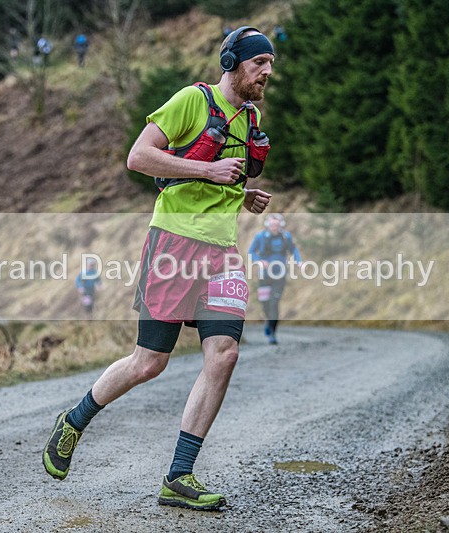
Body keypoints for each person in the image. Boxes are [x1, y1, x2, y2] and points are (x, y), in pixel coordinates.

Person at [43, 26, 276, 511]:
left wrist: (240, 193)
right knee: (150, 362)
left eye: (271, 65)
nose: (268, 73)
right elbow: (139, 157)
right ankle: (75, 419)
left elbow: (221, 177)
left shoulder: (251, 117)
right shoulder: (193, 100)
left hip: (222, 252)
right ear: (233, 62)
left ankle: (179, 476)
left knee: (224, 354)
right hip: (173, 243)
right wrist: (208, 171)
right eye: (260, 64)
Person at [248, 213, 302, 345]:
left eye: (277, 224)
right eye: (272, 224)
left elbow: (293, 250)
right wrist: (259, 261)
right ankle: (268, 321)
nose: (274, 227)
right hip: (264, 275)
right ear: (268, 225)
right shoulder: (260, 236)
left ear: (281, 225)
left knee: (274, 302)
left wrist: (298, 262)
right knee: (265, 302)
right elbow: (251, 252)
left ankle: (272, 333)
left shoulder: (285, 236)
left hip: (280, 274)